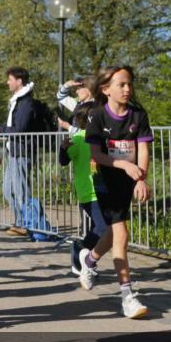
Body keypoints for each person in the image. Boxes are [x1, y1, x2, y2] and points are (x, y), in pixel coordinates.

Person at [77, 66, 152, 319]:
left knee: (112, 232)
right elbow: (96, 155)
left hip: (129, 179)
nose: (128, 89)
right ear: (105, 89)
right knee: (121, 232)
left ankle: (88, 260)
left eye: (130, 83)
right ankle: (127, 295)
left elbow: (143, 150)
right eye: (121, 84)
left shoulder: (139, 115)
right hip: (104, 178)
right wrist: (124, 164)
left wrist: (141, 177)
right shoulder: (96, 116)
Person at [59, 102, 108, 277]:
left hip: (105, 189)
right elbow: (64, 161)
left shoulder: (104, 136)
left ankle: (80, 250)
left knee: (101, 226)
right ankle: (83, 254)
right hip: (89, 191)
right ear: (89, 119)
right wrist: (63, 149)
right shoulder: (78, 138)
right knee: (102, 228)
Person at [0, 67, 36, 236]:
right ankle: (20, 221)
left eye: (10, 79)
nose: (8, 82)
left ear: (19, 81)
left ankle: (27, 224)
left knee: (21, 190)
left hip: (22, 152)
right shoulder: (17, 101)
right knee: (8, 189)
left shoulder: (26, 103)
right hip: (13, 152)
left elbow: (20, 129)